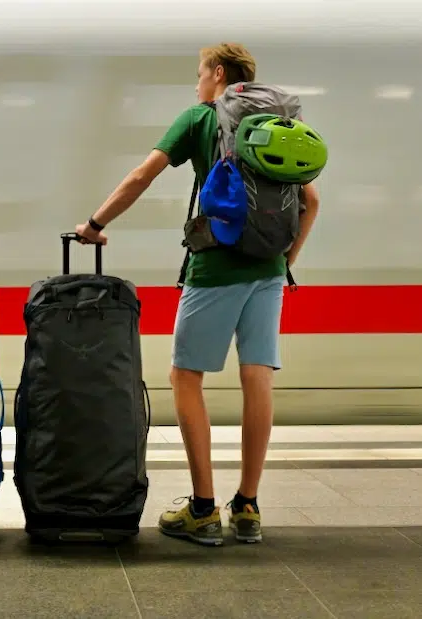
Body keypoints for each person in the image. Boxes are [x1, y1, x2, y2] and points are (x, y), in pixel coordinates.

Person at [74, 43, 322, 545]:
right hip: (269, 269)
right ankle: (248, 507)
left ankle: (204, 508)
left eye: (199, 74)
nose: (196, 85)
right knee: (258, 377)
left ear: (219, 73)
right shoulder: (280, 124)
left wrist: (95, 224)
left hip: (214, 270)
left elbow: (141, 174)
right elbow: (311, 200)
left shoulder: (198, 118)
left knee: (185, 376)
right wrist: (283, 263)